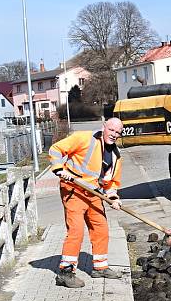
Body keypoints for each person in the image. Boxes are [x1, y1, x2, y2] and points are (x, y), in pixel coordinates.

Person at [48, 117, 125, 288]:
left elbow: (111, 184)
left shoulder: (116, 157)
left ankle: (100, 267)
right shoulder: (84, 138)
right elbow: (55, 150)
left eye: (117, 132)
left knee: (101, 228)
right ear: (104, 127)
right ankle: (65, 273)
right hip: (73, 189)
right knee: (76, 231)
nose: (113, 134)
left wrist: (113, 198)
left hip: (94, 194)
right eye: (111, 130)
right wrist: (60, 169)